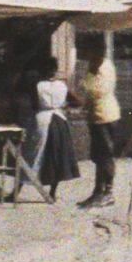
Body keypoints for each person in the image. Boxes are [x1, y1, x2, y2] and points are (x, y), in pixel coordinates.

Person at [74, 36, 121, 209]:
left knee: (105, 154)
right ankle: (97, 191)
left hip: (105, 115)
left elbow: (99, 91)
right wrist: (83, 106)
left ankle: (108, 192)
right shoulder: (93, 66)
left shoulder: (104, 67)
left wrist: (84, 85)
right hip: (95, 115)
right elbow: (90, 95)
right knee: (98, 156)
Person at [29, 65, 79, 202]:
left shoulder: (38, 86)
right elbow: (77, 101)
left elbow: (34, 105)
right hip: (59, 120)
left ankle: (18, 188)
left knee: (32, 153)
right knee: (57, 155)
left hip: (42, 120)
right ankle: (52, 191)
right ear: (55, 72)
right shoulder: (62, 86)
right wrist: (63, 107)